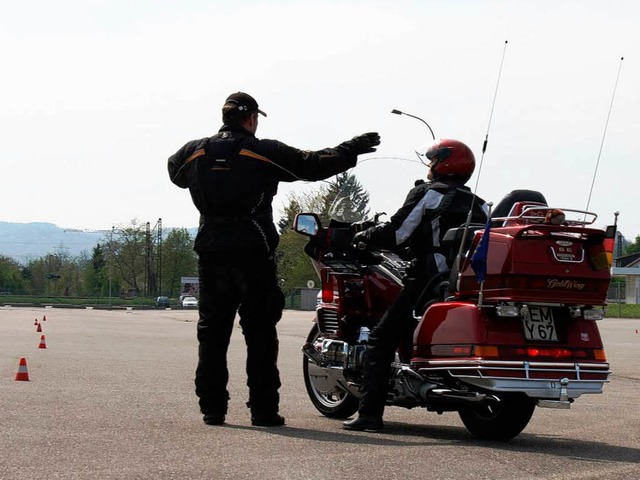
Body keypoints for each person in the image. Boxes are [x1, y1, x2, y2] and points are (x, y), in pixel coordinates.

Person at [168, 92, 380, 427]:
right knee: (261, 333)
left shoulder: (194, 151)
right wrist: (351, 148)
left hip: (211, 250)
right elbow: (313, 164)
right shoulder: (260, 151)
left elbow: (174, 173)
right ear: (250, 118)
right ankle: (263, 411)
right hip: (253, 251)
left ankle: (212, 408)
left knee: (212, 333)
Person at [342, 138, 489, 432]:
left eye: (432, 160)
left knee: (380, 337)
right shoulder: (480, 204)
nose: (429, 166)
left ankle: (369, 415)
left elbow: (398, 232)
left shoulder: (428, 193)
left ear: (442, 163)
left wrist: (366, 236)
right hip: (464, 279)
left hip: (429, 276)